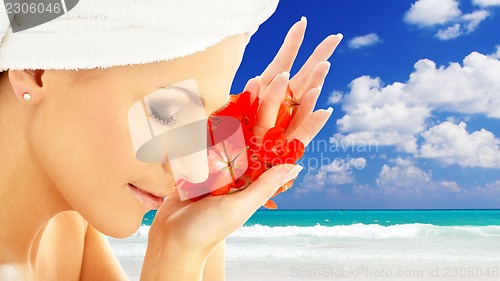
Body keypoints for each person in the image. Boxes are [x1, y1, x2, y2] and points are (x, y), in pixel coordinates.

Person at [0, 1, 342, 280]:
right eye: (167, 113)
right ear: (36, 69)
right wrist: (173, 260)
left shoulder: (70, 230)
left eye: (208, 119)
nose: (194, 172)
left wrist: (186, 244)